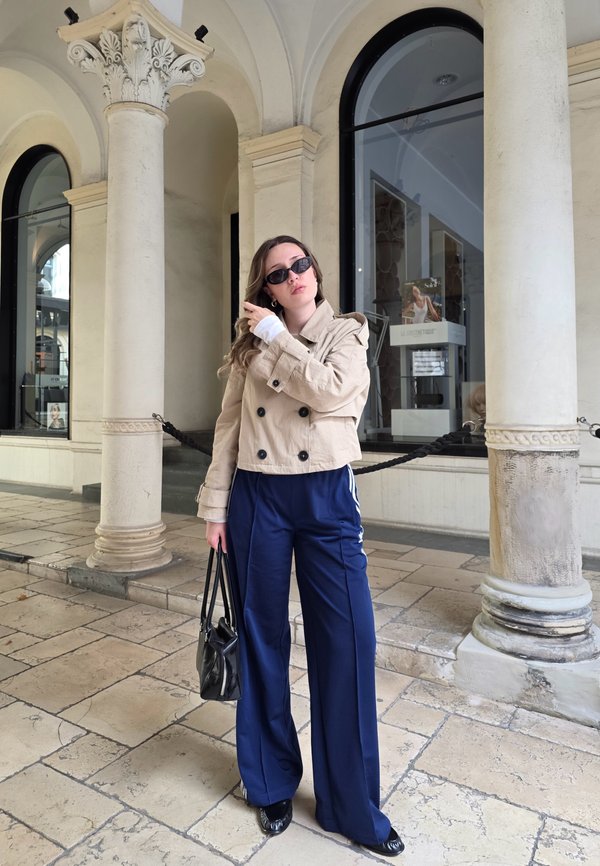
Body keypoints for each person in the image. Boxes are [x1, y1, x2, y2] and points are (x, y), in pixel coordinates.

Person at [196, 235, 404, 857]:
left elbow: (331, 391)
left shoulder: (347, 332)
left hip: (326, 497)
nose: (294, 277)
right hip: (257, 493)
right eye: (278, 274)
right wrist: (215, 505)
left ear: (314, 269)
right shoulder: (249, 346)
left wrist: (275, 340)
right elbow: (230, 425)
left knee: (348, 642)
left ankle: (351, 805)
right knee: (261, 637)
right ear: (265, 289)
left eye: (300, 265)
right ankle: (269, 782)